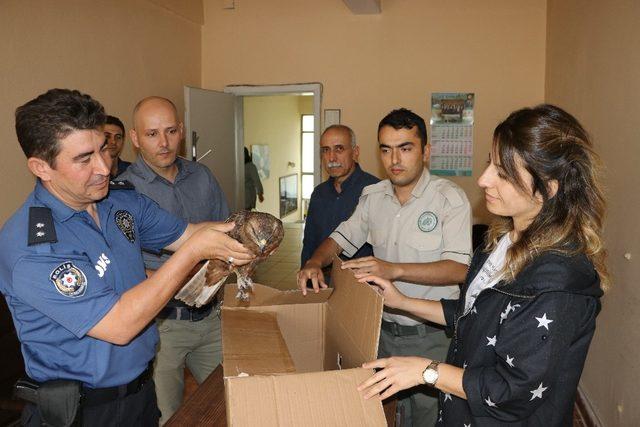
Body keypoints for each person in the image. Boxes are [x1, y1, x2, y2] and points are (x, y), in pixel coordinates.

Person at [0, 89, 253, 426]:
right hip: (82, 411)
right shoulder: (33, 247)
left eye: (104, 148)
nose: (105, 167)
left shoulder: (118, 202)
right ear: (41, 168)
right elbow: (119, 325)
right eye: (84, 158)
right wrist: (196, 251)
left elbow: (188, 233)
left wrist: (247, 230)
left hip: (139, 395)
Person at [357, 104, 608, 426]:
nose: (484, 179)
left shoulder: (558, 282)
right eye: (490, 162)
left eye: (503, 173)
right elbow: (473, 313)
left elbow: (509, 392)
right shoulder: (501, 242)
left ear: (549, 187)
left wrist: (426, 370)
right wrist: (402, 302)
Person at [297, 109, 472, 426]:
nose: (395, 159)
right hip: (380, 331)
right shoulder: (372, 196)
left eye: (405, 148)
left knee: (428, 417)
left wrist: (394, 269)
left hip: (431, 335)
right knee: (382, 414)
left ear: (425, 151)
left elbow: (460, 269)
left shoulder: (449, 198)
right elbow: (340, 237)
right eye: (386, 149)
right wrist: (313, 261)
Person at [118, 96, 230, 424]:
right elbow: (122, 264)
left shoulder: (203, 176)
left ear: (181, 131)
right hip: (160, 326)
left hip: (211, 318)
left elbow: (223, 235)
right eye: (152, 134)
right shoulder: (121, 192)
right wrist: (173, 275)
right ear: (136, 138)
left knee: (229, 405)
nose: (163, 143)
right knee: (167, 416)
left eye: (170, 131)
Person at [300, 125, 379, 271]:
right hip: (321, 283)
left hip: (360, 285)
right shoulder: (318, 193)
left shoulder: (375, 191)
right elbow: (309, 244)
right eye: (326, 150)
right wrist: (307, 274)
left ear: (355, 152)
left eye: (339, 149)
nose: (331, 157)